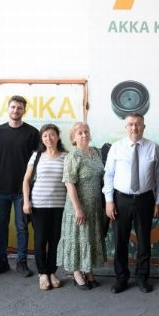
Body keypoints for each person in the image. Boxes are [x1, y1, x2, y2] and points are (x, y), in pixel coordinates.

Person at [103, 113, 159, 294]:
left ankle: (142, 278)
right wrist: (109, 201)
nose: (134, 128)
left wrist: (158, 202)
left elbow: (158, 178)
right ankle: (121, 278)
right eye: (130, 124)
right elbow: (108, 175)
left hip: (145, 199)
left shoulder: (153, 147)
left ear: (144, 126)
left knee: (144, 241)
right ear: (125, 127)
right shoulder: (116, 147)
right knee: (120, 242)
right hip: (121, 200)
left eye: (138, 124)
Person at [0, 95, 39, 277]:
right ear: (7, 109)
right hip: (1, 187)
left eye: (19, 108)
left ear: (24, 110)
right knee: (1, 226)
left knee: (22, 226)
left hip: (22, 190)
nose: (16, 110)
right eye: (13, 107)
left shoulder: (32, 133)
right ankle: (1, 261)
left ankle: (21, 262)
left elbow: (38, 159)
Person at [57, 122, 106, 290]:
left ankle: (89, 271)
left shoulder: (96, 152)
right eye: (80, 133)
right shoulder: (73, 156)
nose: (84, 135)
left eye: (86, 131)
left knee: (89, 239)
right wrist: (78, 208)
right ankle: (77, 272)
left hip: (95, 206)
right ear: (73, 137)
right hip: (78, 206)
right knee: (77, 239)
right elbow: (69, 183)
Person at [22, 124, 67, 290]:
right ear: (42, 139)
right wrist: (26, 201)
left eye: (52, 134)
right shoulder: (36, 156)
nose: (49, 138)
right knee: (40, 240)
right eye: (45, 135)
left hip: (60, 205)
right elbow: (26, 180)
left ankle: (52, 272)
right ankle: (42, 273)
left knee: (55, 241)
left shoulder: (66, 156)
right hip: (39, 205)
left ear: (58, 136)